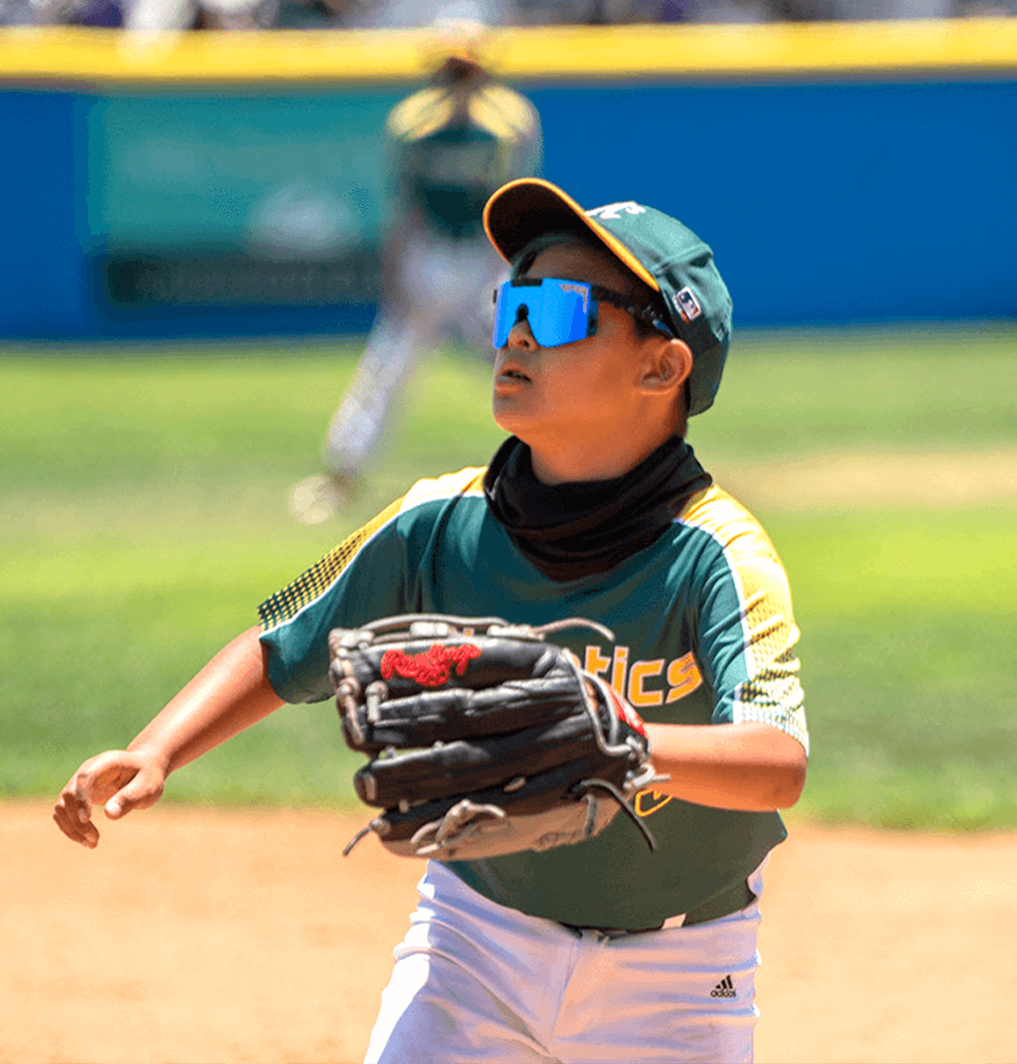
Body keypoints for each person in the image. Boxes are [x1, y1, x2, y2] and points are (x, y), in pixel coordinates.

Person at [54, 177, 809, 1063]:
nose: (518, 332)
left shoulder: (718, 554)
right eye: (510, 302)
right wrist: (157, 748)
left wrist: (610, 737)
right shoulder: (437, 520)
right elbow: (284, 644)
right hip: (474, 945)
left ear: (661, 365)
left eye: (560, 310)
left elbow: (776, 763)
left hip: (681, 976)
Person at [287, 41, 542, 525]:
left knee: (523, 359)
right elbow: (406, 206)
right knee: (389, 364)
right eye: (452, 70)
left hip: (483, 256)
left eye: (466, 70)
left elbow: (515, 195)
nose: (460, 80)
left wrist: (513, 267)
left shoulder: (509, 122)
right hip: (432, 255)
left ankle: (575, 456)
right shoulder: (414, 124)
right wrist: (396, 268)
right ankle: (343, 474)